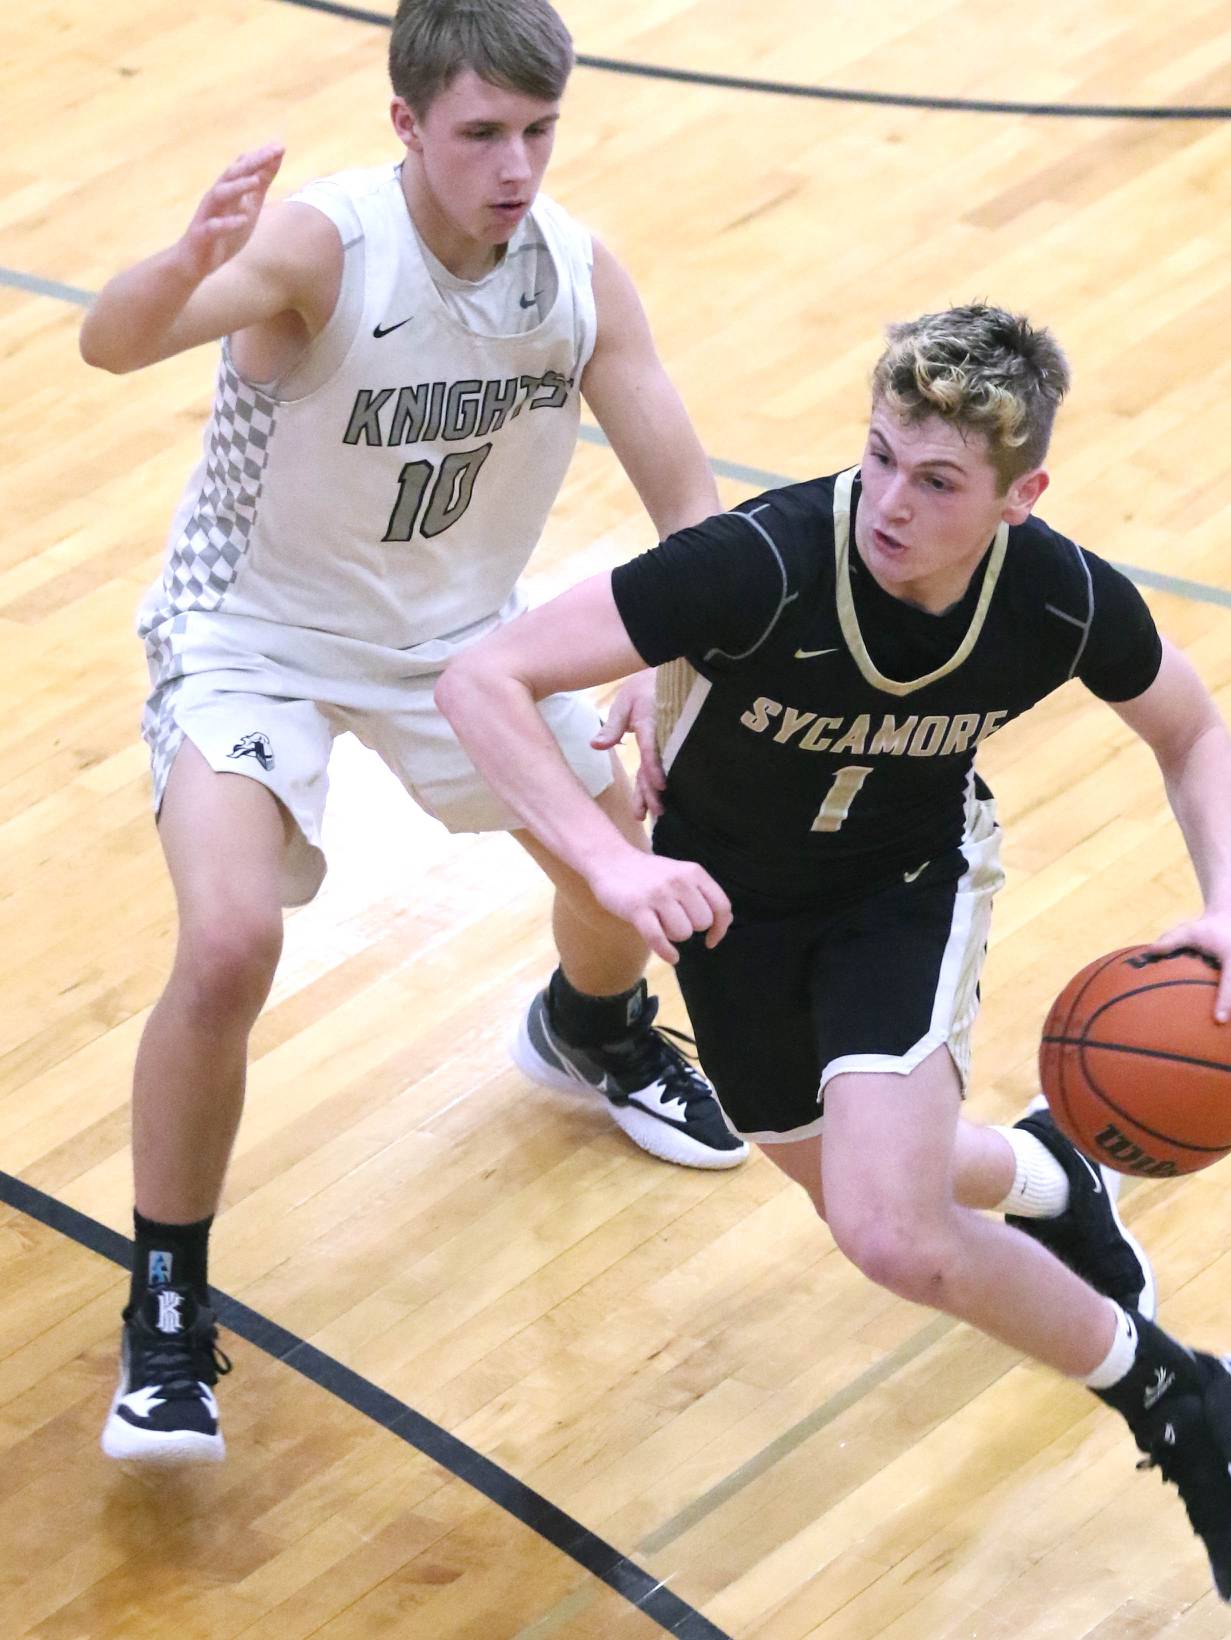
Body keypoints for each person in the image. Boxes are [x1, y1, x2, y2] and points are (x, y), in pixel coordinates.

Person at [435, 303, 1231, 1605]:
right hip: (725, 903)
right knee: (833, 1169)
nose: (890, 501)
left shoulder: (1057, 598)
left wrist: (1229, 906)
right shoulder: (764, 562)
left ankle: (1189, 1406)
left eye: (939, 481)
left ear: (1022, 497)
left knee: (891, 1232)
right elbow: (481, 680)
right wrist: (615, 862)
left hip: (904, 884)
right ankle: (1047, 1173)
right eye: (882, 457)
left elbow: (1188, 730)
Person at [79, 0, 748, 1466]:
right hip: (250, 635)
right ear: (405, 128)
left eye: (538, 131)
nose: (515, 166)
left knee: (620, 848)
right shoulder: (325, 247)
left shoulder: (574, 277)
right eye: (481, 135)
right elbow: (107, 346)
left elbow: (691, 509)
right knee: (229, 942)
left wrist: (667, 635)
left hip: (459, 639)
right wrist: (184, 265)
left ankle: (591, 1029)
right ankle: (169, 1306)